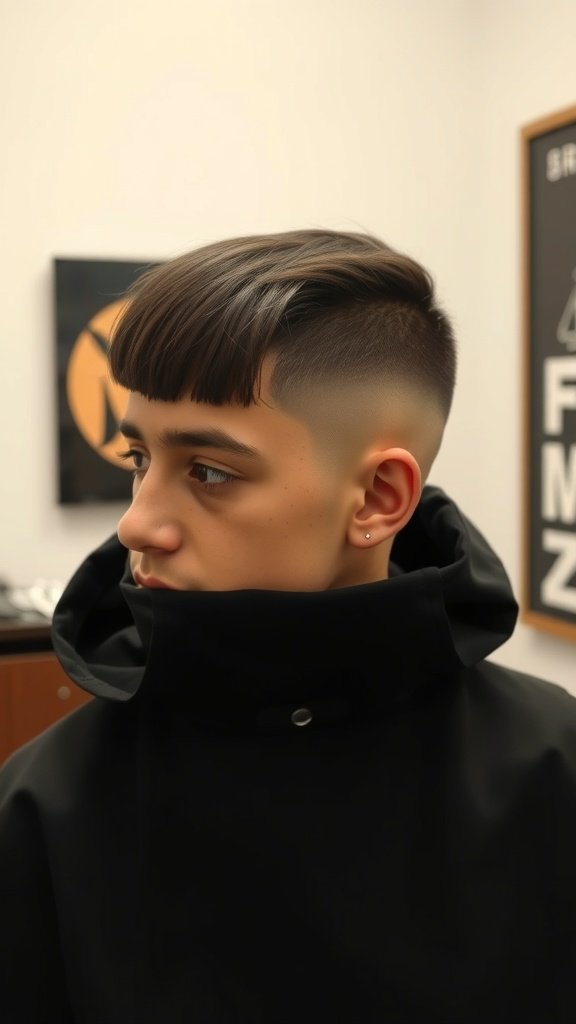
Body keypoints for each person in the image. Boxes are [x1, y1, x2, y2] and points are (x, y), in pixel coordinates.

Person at [1, 229, 575, 1023]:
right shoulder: (41, 806)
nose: (135, 523)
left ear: (377, 500)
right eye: (139, 459)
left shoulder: (554, 774)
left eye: (208, 471)